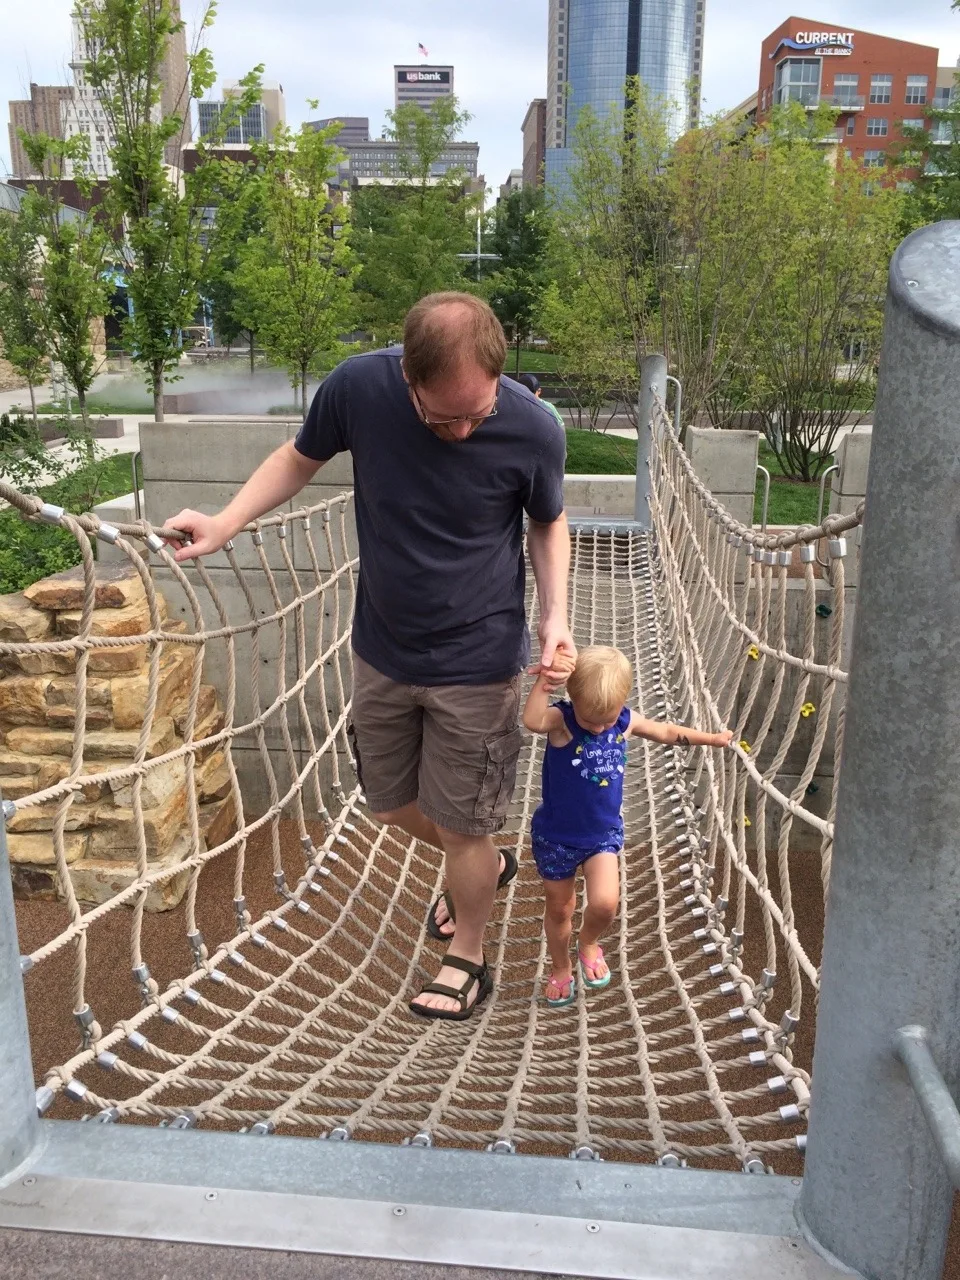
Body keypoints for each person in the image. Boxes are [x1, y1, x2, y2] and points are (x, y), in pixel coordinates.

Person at [166, 292, 574, 1022]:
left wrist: (556, 619)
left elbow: (547, 524)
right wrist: (224, 522)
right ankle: (481, 861)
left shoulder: (533, 428)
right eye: (441, 416)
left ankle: (468, 953)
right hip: (383, 644)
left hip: (479, 655)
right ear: (406, 378)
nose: (462, 430)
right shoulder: (358, 387)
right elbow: (298, 458)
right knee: (391, 806)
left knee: (465, 826)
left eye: (476, 413)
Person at [522, 646, 733, 1007]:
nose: (601, 727)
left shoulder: (623, 721)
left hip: (601, 835)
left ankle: (588, 942)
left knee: (605, 904)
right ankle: (560, 967)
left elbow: (665, 731)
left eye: (609, 717)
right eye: (592, 721)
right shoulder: (562, 721)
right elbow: (532, 721)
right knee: (560, 910)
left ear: (622, 703)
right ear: (573, 701)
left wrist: (709, 739)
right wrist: (546, 680)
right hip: (557, 837)